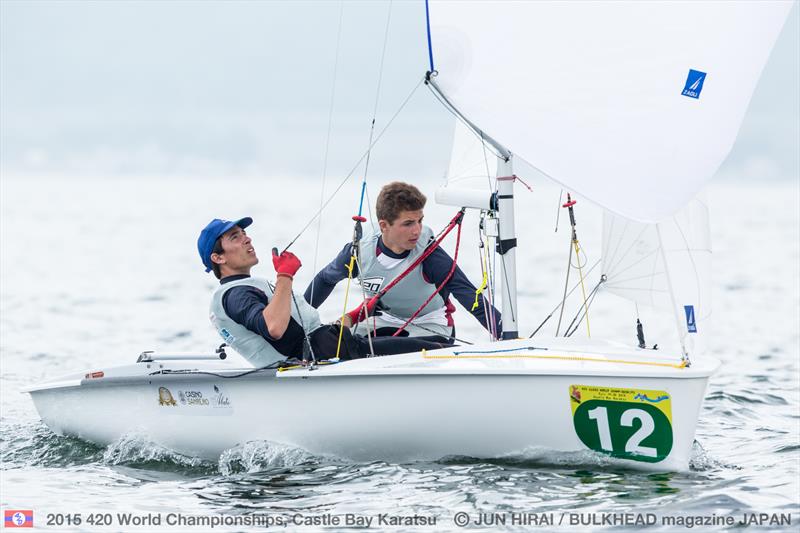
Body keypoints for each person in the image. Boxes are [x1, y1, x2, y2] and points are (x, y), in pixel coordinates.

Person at [197, 217, 451, 368]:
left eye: (244, 234)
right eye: (235, 237)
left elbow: (302, 334)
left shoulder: (246, 287)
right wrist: (285, 275)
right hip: (330, 355)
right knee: (440, 350)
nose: (247, 239)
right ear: (217, 257)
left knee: (436, 347)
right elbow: (274, 328)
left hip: (335, 347)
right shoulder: (235, 295)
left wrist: (355, 315)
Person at [305, 182, 501, 343]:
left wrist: (507, 336)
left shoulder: (430, 255)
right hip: (383, 322)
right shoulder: (358, 252)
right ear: (384, 225)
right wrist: (298, 322)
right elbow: (325, 279)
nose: (416, 230)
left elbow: (470, 297)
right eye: (408, 223)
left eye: (420, 221)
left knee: (367, 347)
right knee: (329, 342)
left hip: (432, 327)